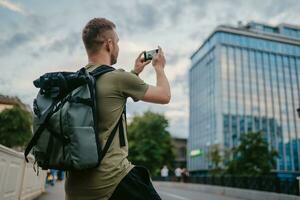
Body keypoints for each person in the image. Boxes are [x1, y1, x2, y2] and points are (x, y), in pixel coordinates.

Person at [64, 18, 170, 200]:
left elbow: (109, 95)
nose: (118, 47)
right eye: (118, 42)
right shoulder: (118, 78)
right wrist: (159, 68)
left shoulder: (75, 82)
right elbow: (164, 95)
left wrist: (134, 72)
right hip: (111, 179)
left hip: (74, 186)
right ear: (109, 44)